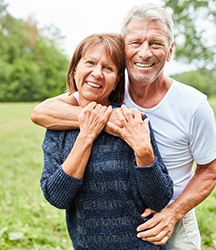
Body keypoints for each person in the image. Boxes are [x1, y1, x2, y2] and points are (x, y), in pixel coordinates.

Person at [31, 3, 216, 250]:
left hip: (175, 213)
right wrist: (106, 121)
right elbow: (41, 112)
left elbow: (211, 169)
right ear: (124, 47)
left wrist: (172, 213)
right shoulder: (106, 89)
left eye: (155, 43)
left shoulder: (194, 105)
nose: (144, 53)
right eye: (136, 43)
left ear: (170, 51)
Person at [39, 33, 173, 250]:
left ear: (117, 80)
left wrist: (144, 153)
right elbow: (57, 197)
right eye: (90, 63)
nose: (97, 73)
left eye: (108, 68)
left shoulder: (132, 120)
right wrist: (86, 135)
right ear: (75, 70)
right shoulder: (58, 128)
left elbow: (159, 199)